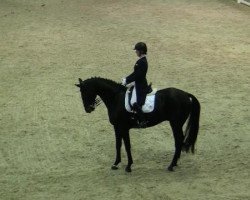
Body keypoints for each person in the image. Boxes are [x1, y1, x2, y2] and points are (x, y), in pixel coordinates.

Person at [122, 42, 150, 127]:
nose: (136, 52)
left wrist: (127, 80)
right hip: (137, 82)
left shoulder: (142, 62)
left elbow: (138, 75)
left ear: (141, 51)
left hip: (140, 85)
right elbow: (135, 73)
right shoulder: (140, 60)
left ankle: (143, 121)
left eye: (137, 50)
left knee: (133, 101)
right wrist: (126, 79)